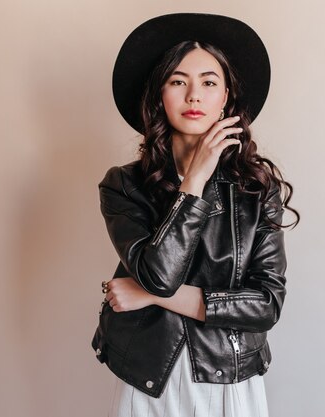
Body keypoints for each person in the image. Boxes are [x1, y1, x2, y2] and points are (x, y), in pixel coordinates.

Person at [92, 13, 299, 417]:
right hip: (149, 377)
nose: (194, 96)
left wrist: (149, 296)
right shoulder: (123, 185)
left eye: (208, 82)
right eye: (177, 81)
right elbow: (159, 273)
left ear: (226, 98)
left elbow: (266, 305)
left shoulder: (258, 188)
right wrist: (195, 180)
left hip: (231, 374)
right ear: (159, 95)